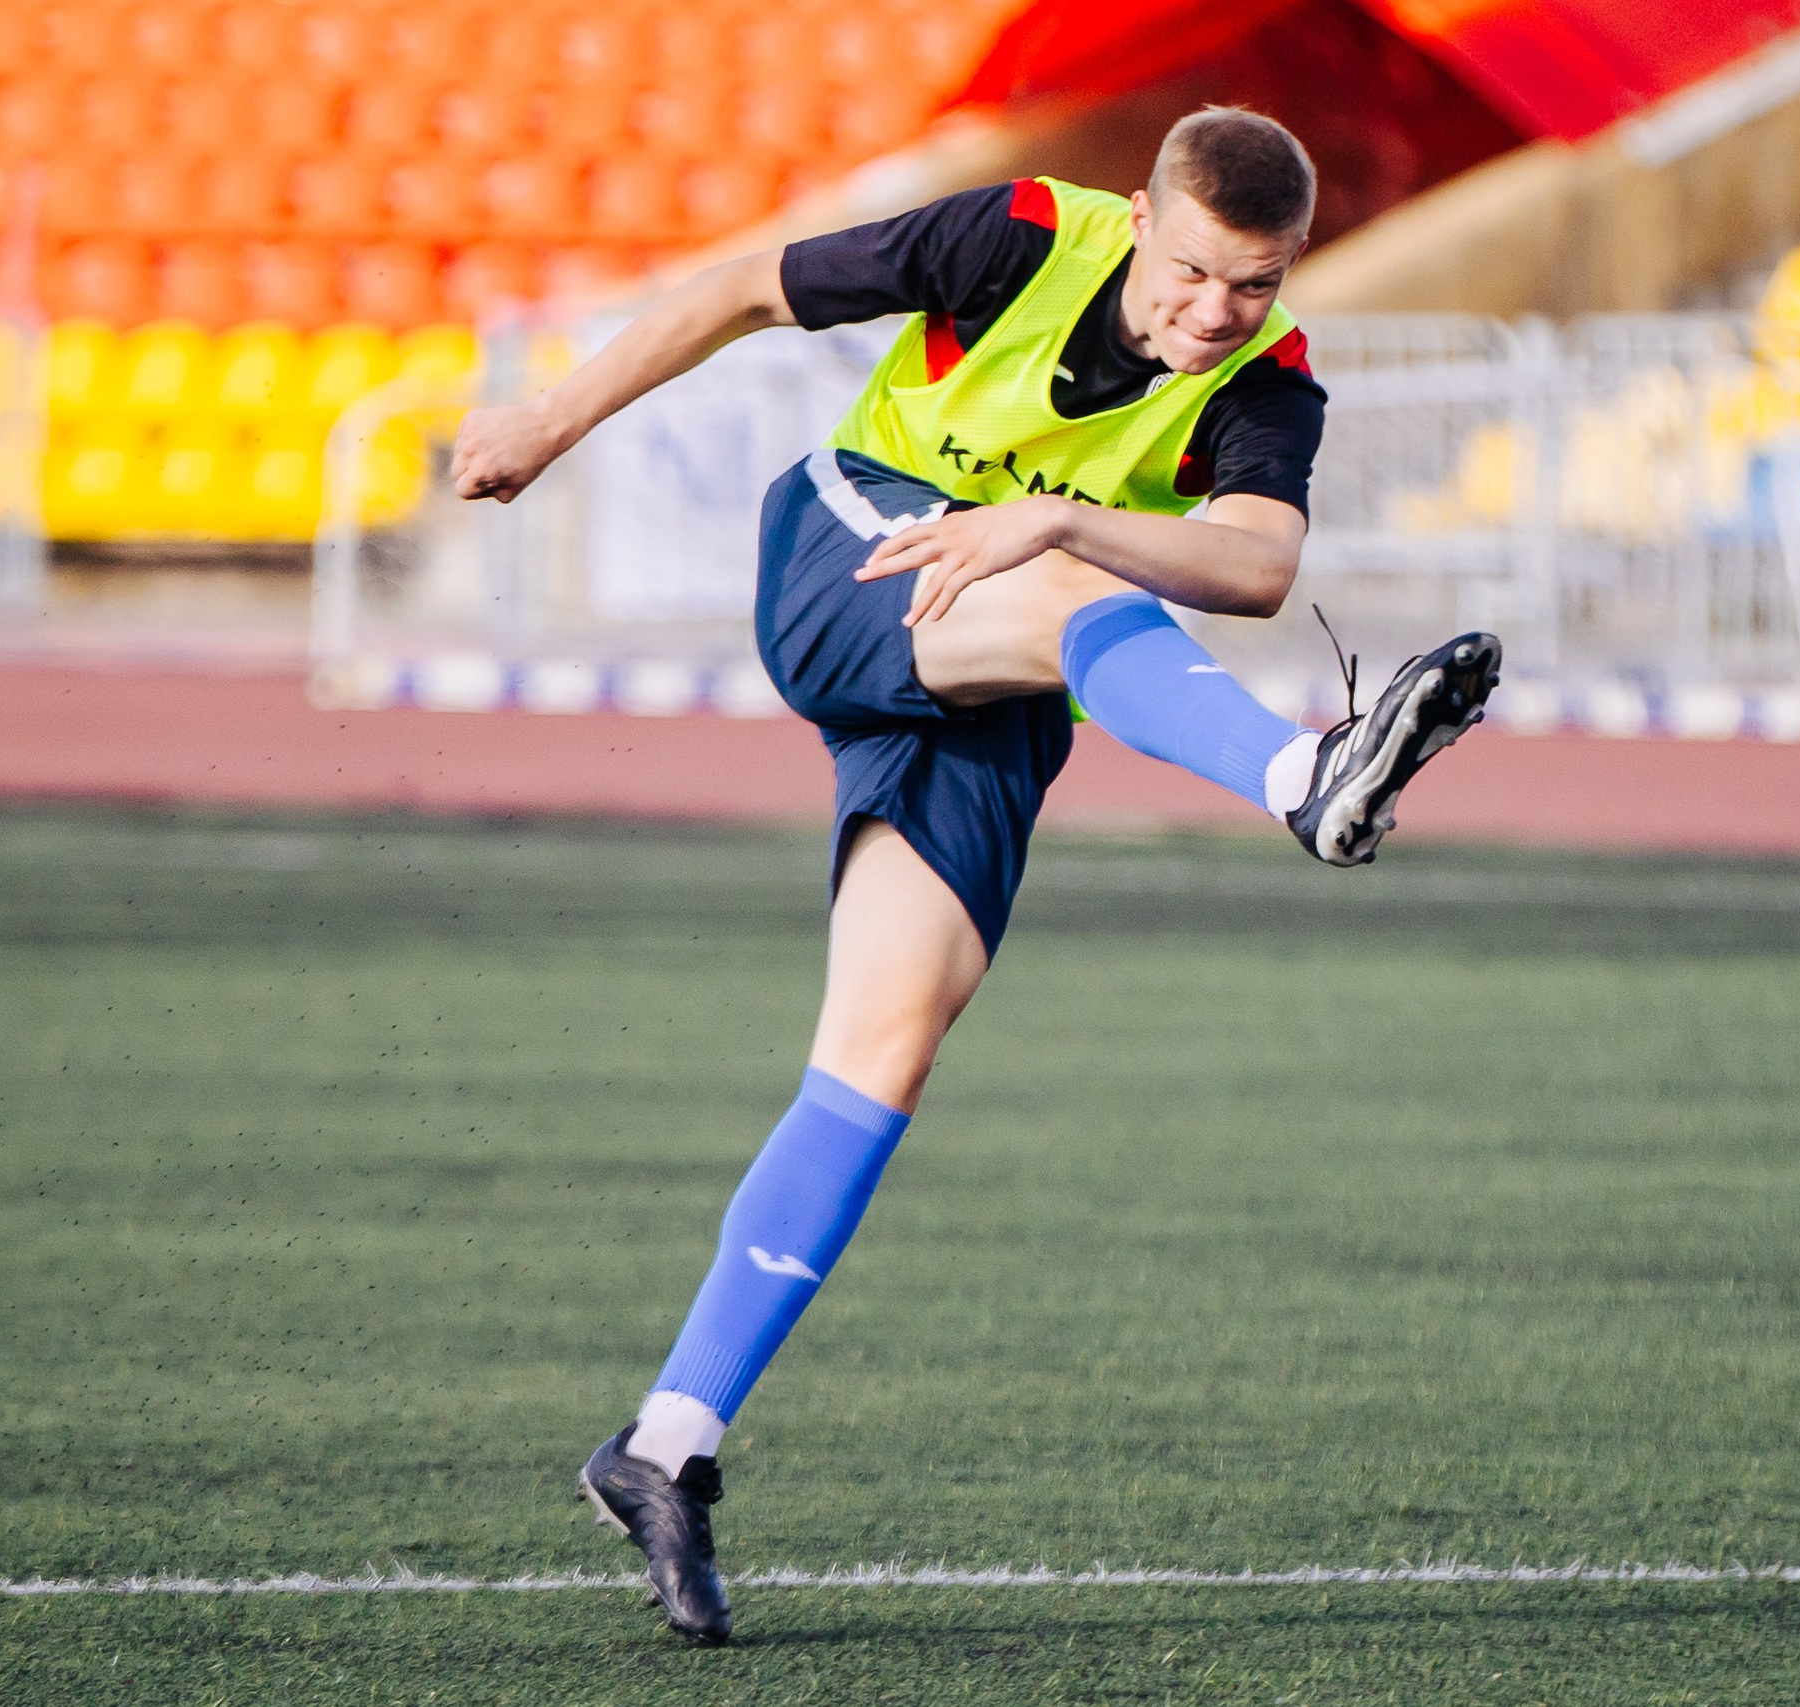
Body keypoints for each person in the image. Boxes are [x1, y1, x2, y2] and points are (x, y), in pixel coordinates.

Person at [451, 107, 1498, 1644]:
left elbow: (1261, 564)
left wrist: (1062, 514)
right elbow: (750, 287)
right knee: (1066, 579)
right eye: (1200, 272)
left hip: (997, 669)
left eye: (1257, 286)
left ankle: (664, 1443)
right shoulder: (1018, 235)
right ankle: (1301, 779)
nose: (1220, 312)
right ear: (1142, 218)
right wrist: (551, 420)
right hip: (847, 554)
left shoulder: (1268, 382)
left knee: (882, 1057)